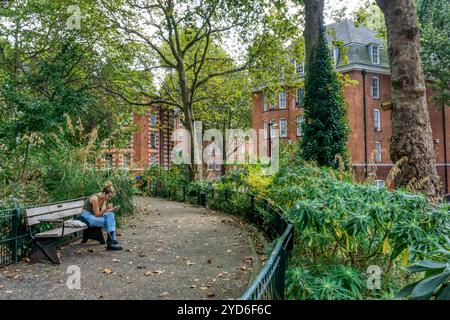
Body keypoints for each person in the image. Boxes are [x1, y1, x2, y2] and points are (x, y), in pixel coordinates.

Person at [80, 182, 123, 251]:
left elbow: (103, 212)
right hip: (86, 216)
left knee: (110, 215)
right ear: (104, 193)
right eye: (109, 196)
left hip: (94, 216)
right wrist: (107, 208)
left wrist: (112, 209)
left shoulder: (104, 199)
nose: (109, 198)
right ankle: (111, 242)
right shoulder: (95, 199)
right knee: (106, 221)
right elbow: (97, 214)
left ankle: (111, 241)